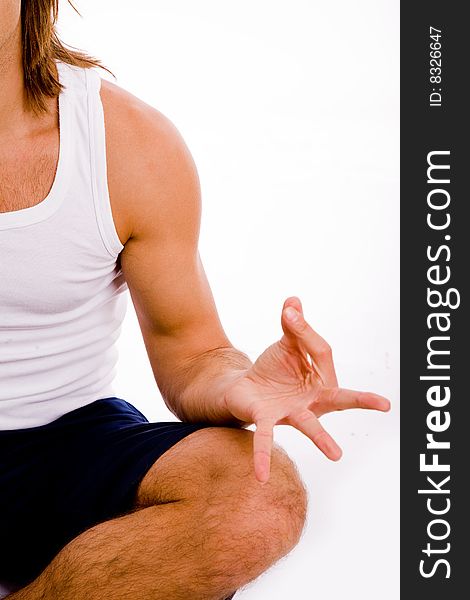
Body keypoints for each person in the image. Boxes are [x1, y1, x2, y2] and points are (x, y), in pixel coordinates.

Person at [0, 2, 391, 599]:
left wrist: (239, 385)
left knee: (260, 494)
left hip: (66, 443)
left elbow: (191, 350)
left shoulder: (127, 144)